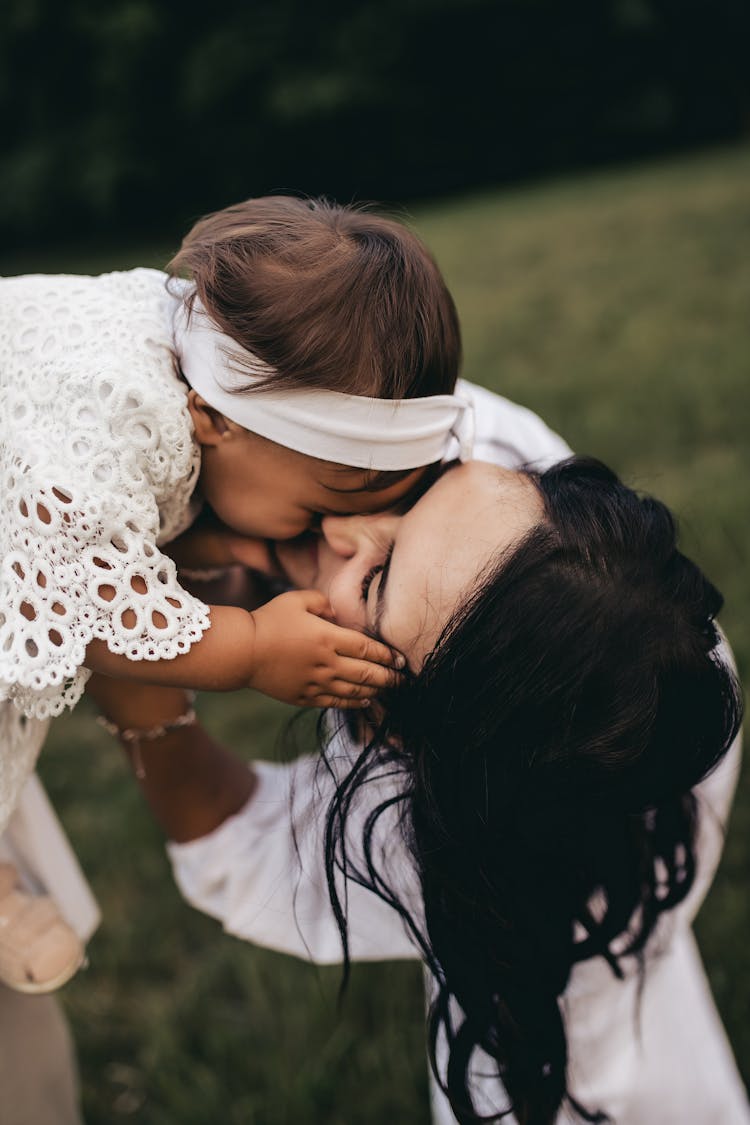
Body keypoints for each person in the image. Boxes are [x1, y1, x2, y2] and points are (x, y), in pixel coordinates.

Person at [91, 453, 747, 1125]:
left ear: (414, 749)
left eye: (375, 580)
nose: (349, 525)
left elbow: (233, 835)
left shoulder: (420, 850)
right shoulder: (672, 641)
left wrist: (125, 650)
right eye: (425, 491)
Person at [0, 195, 476, 1006]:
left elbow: (114, 529)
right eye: (327, 495)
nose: (330, 529)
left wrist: (205, 546)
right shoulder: (129, 408)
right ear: (219, 420)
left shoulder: (184, 356)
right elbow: (74, 598)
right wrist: (249, 647)